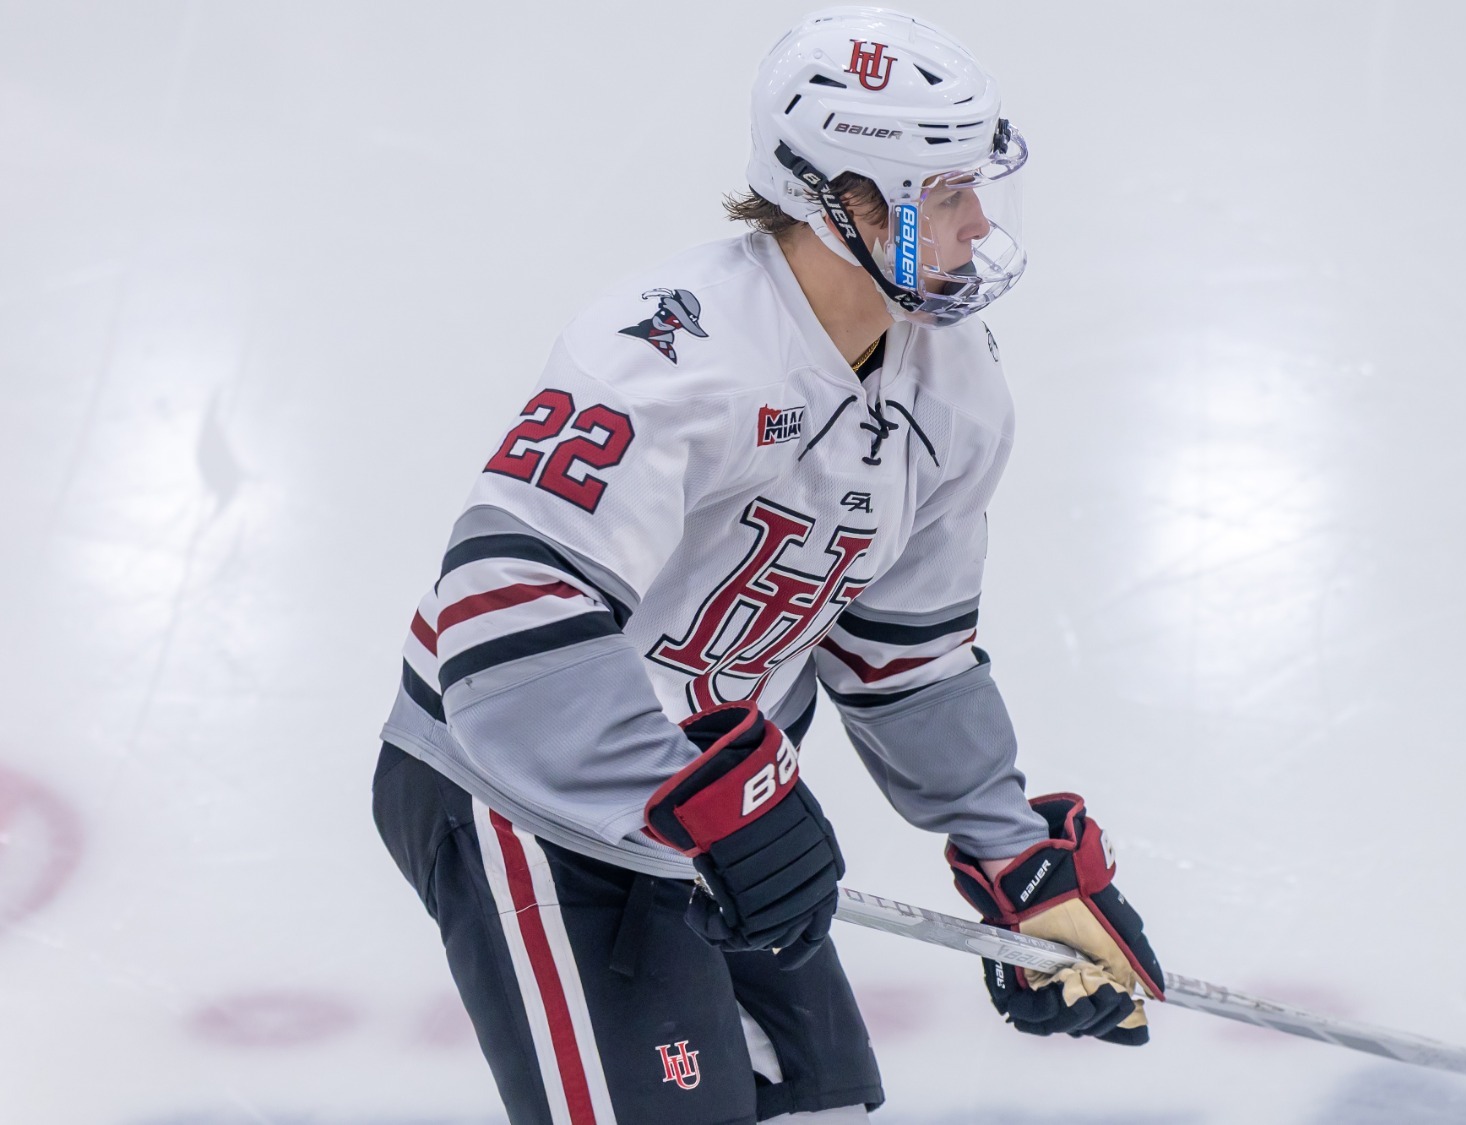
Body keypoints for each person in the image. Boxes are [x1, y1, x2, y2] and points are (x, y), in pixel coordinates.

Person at [370, 7, 1164, 1122]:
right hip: (515, 790)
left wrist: (1011, 855)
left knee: (819, 1106)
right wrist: (703, 804)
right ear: (841, 201)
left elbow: (903, 656)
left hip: (708, 806)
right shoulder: (670, 357)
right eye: (944, 194)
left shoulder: (956, 384)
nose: (980, 222)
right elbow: (501, 619)